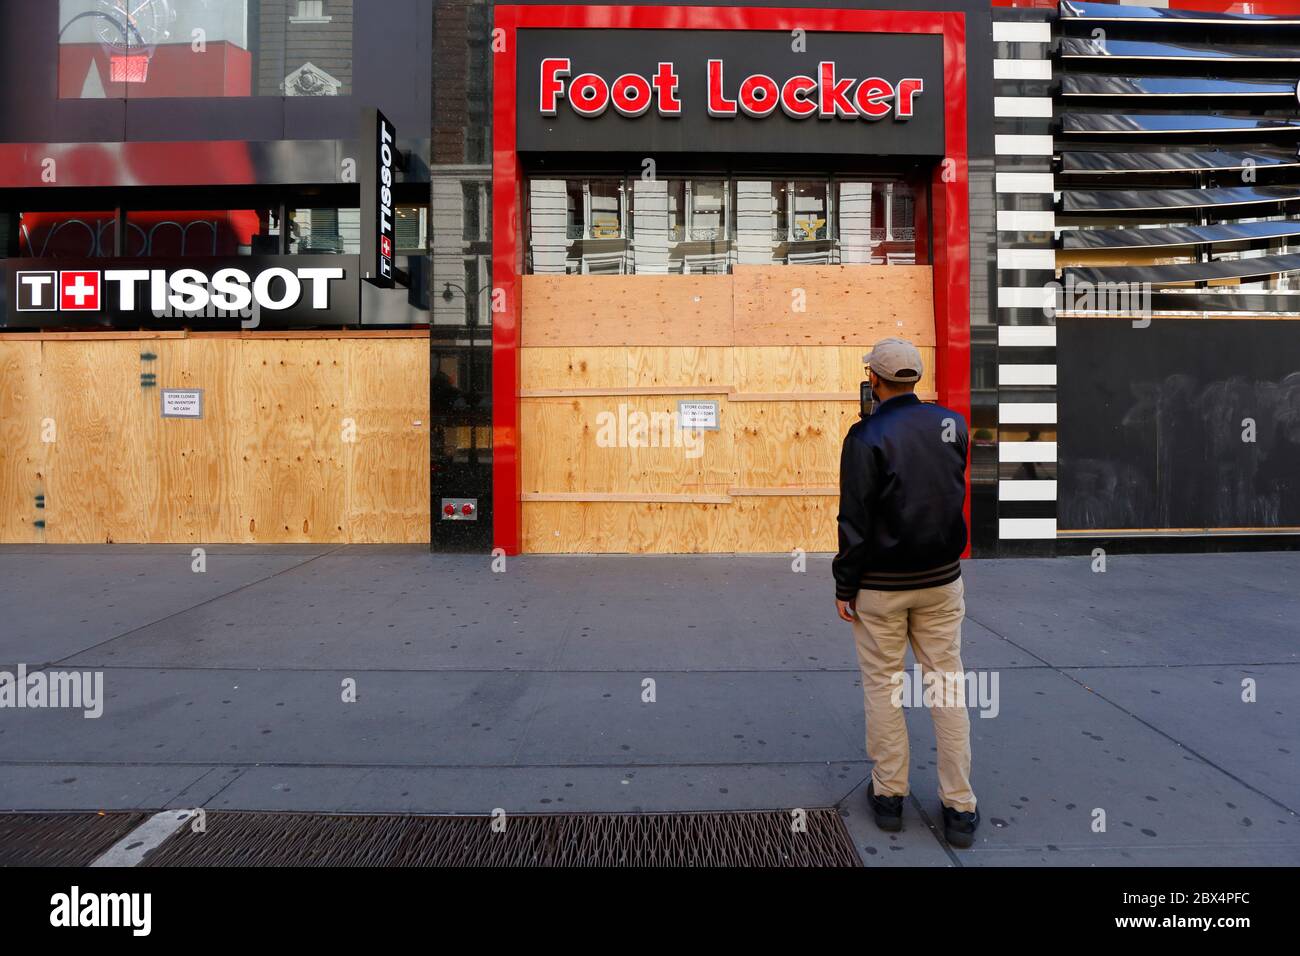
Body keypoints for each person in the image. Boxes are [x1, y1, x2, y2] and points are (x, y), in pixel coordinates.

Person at [832, 337, 979, 848]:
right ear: (915, 377)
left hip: (880, 587)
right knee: (947, 687)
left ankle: (890, 797)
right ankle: (959, 806)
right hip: (941, 580)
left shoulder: (865, 435)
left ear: (874, 379)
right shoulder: (953, 425)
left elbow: (854, 520)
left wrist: (844, 584)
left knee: (884, 688)